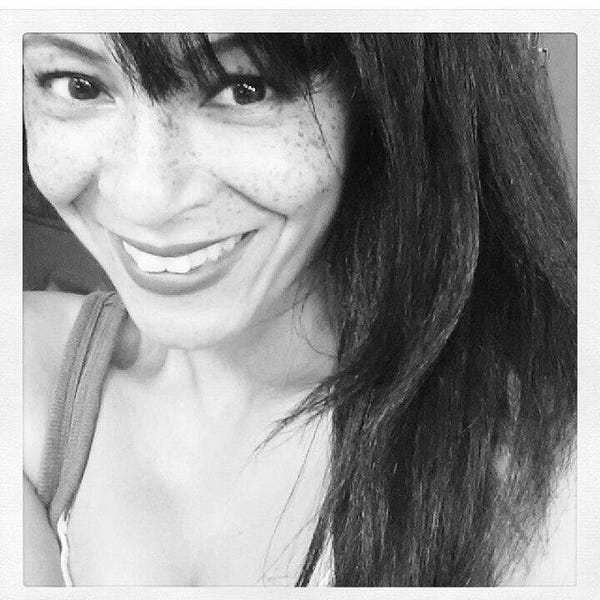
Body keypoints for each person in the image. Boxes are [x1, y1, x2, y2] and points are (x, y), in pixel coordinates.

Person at [22, 33, 576, 587]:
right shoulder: (26, 377)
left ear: (376, 104)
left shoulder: (542, 476)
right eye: (79, 86)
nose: (146, 198)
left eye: (245, 89)